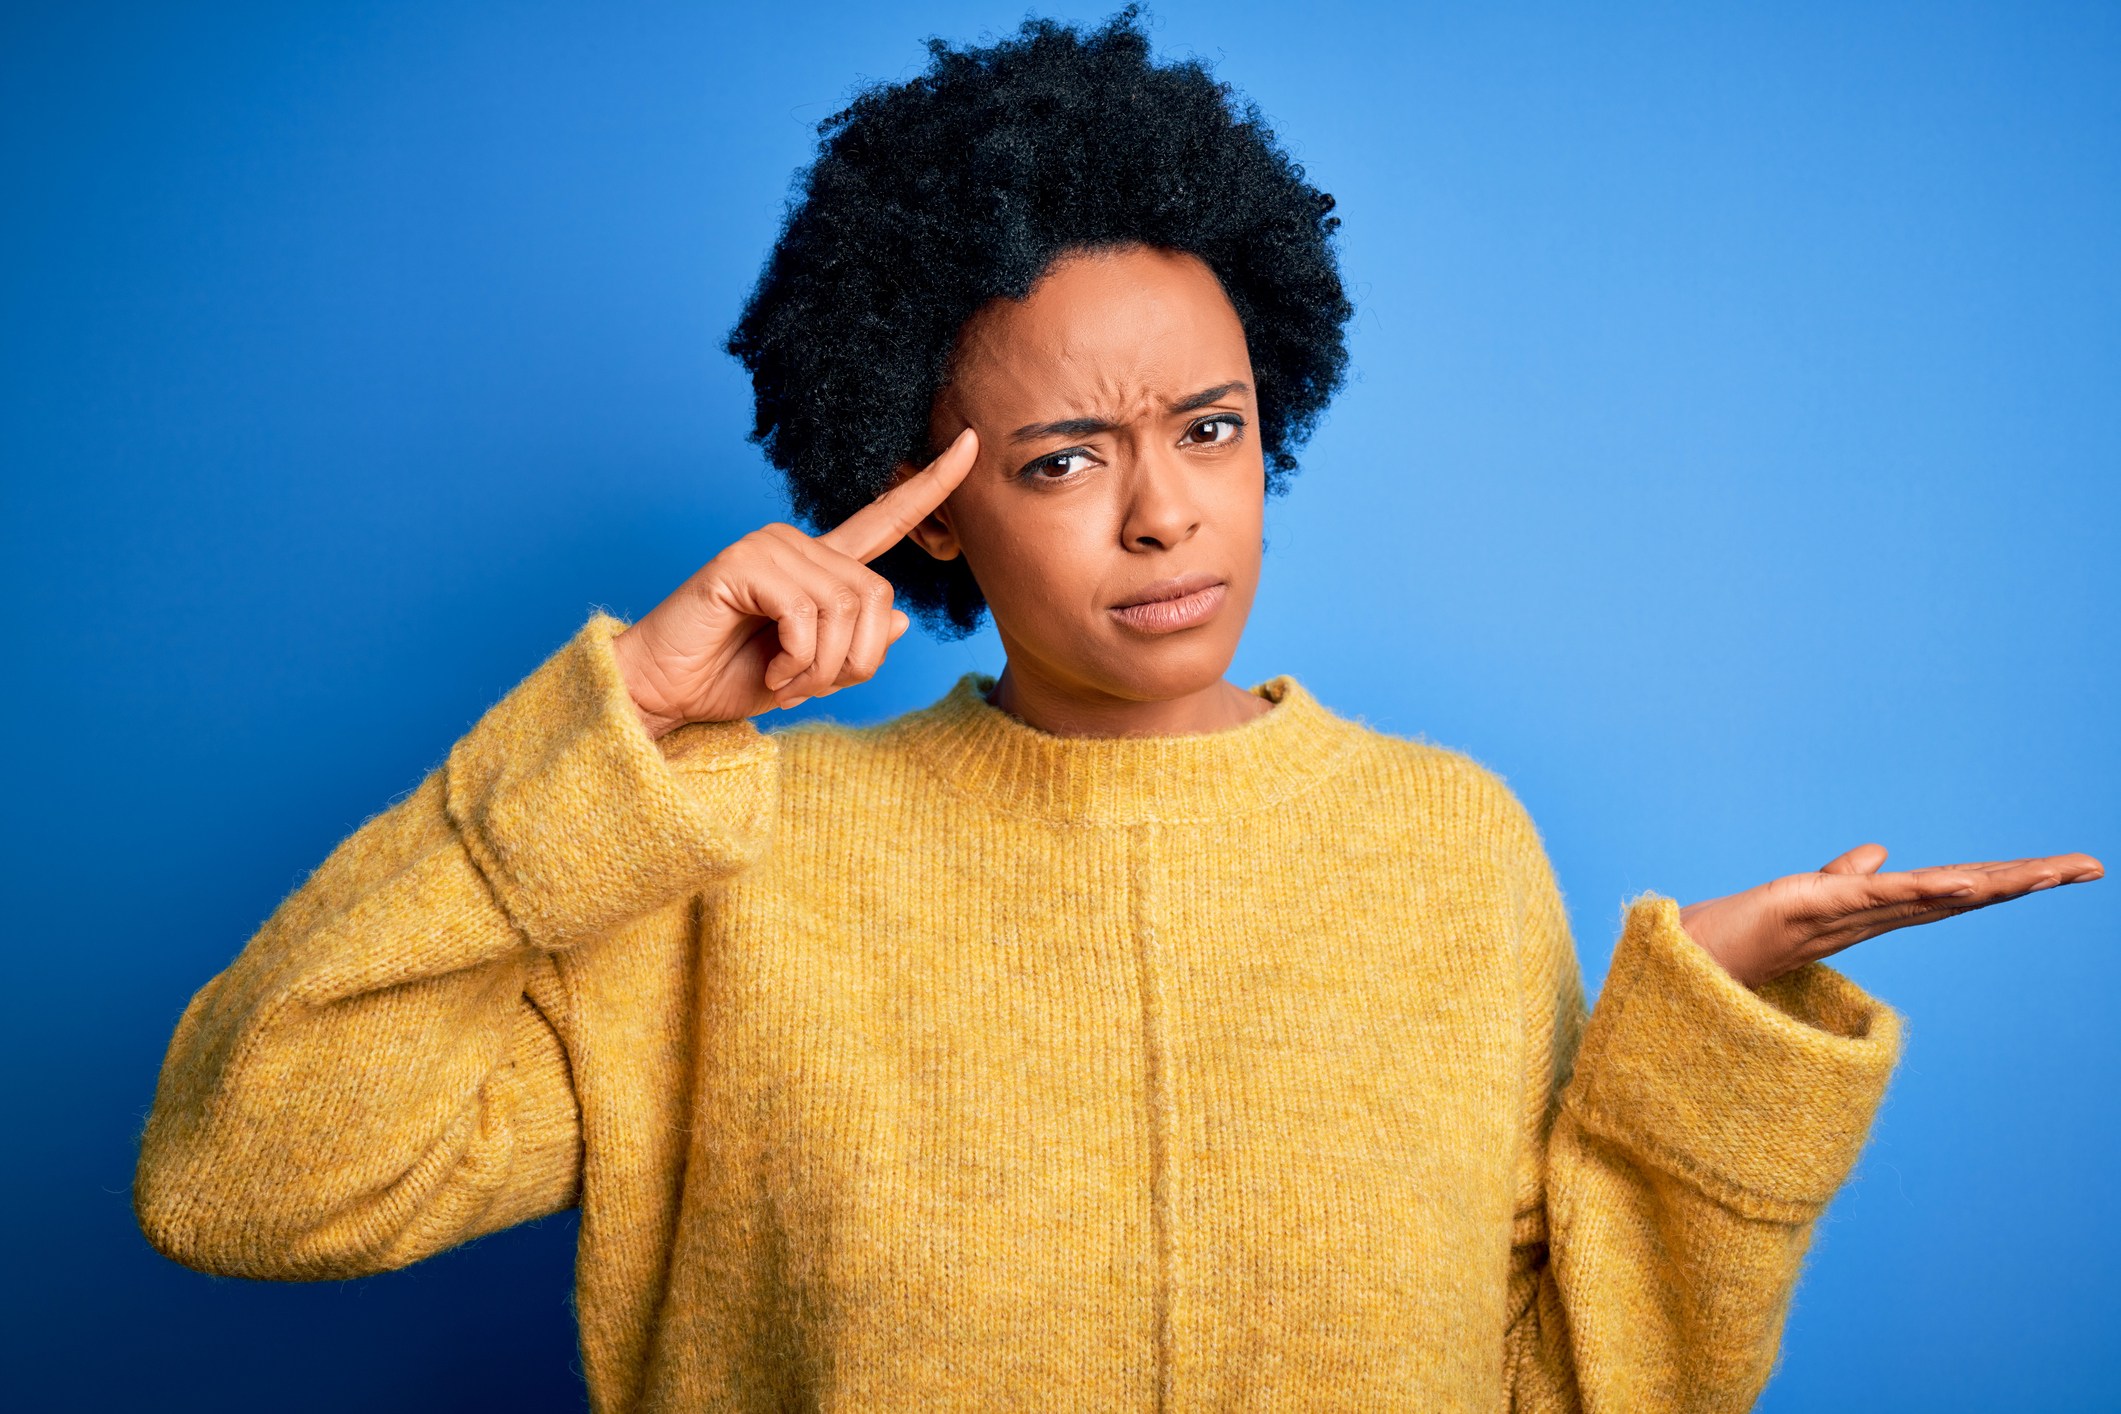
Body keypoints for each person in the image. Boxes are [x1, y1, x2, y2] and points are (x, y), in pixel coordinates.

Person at [134, 12, 2101, 1412]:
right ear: (924, 497)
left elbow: (1572, 1387)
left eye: (1211, 429)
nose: (1163, 509)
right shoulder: (728, 857)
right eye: (1062, 456)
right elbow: (248, 1178)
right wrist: (619, 735)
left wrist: (1711, 1042)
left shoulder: (1446, 845)